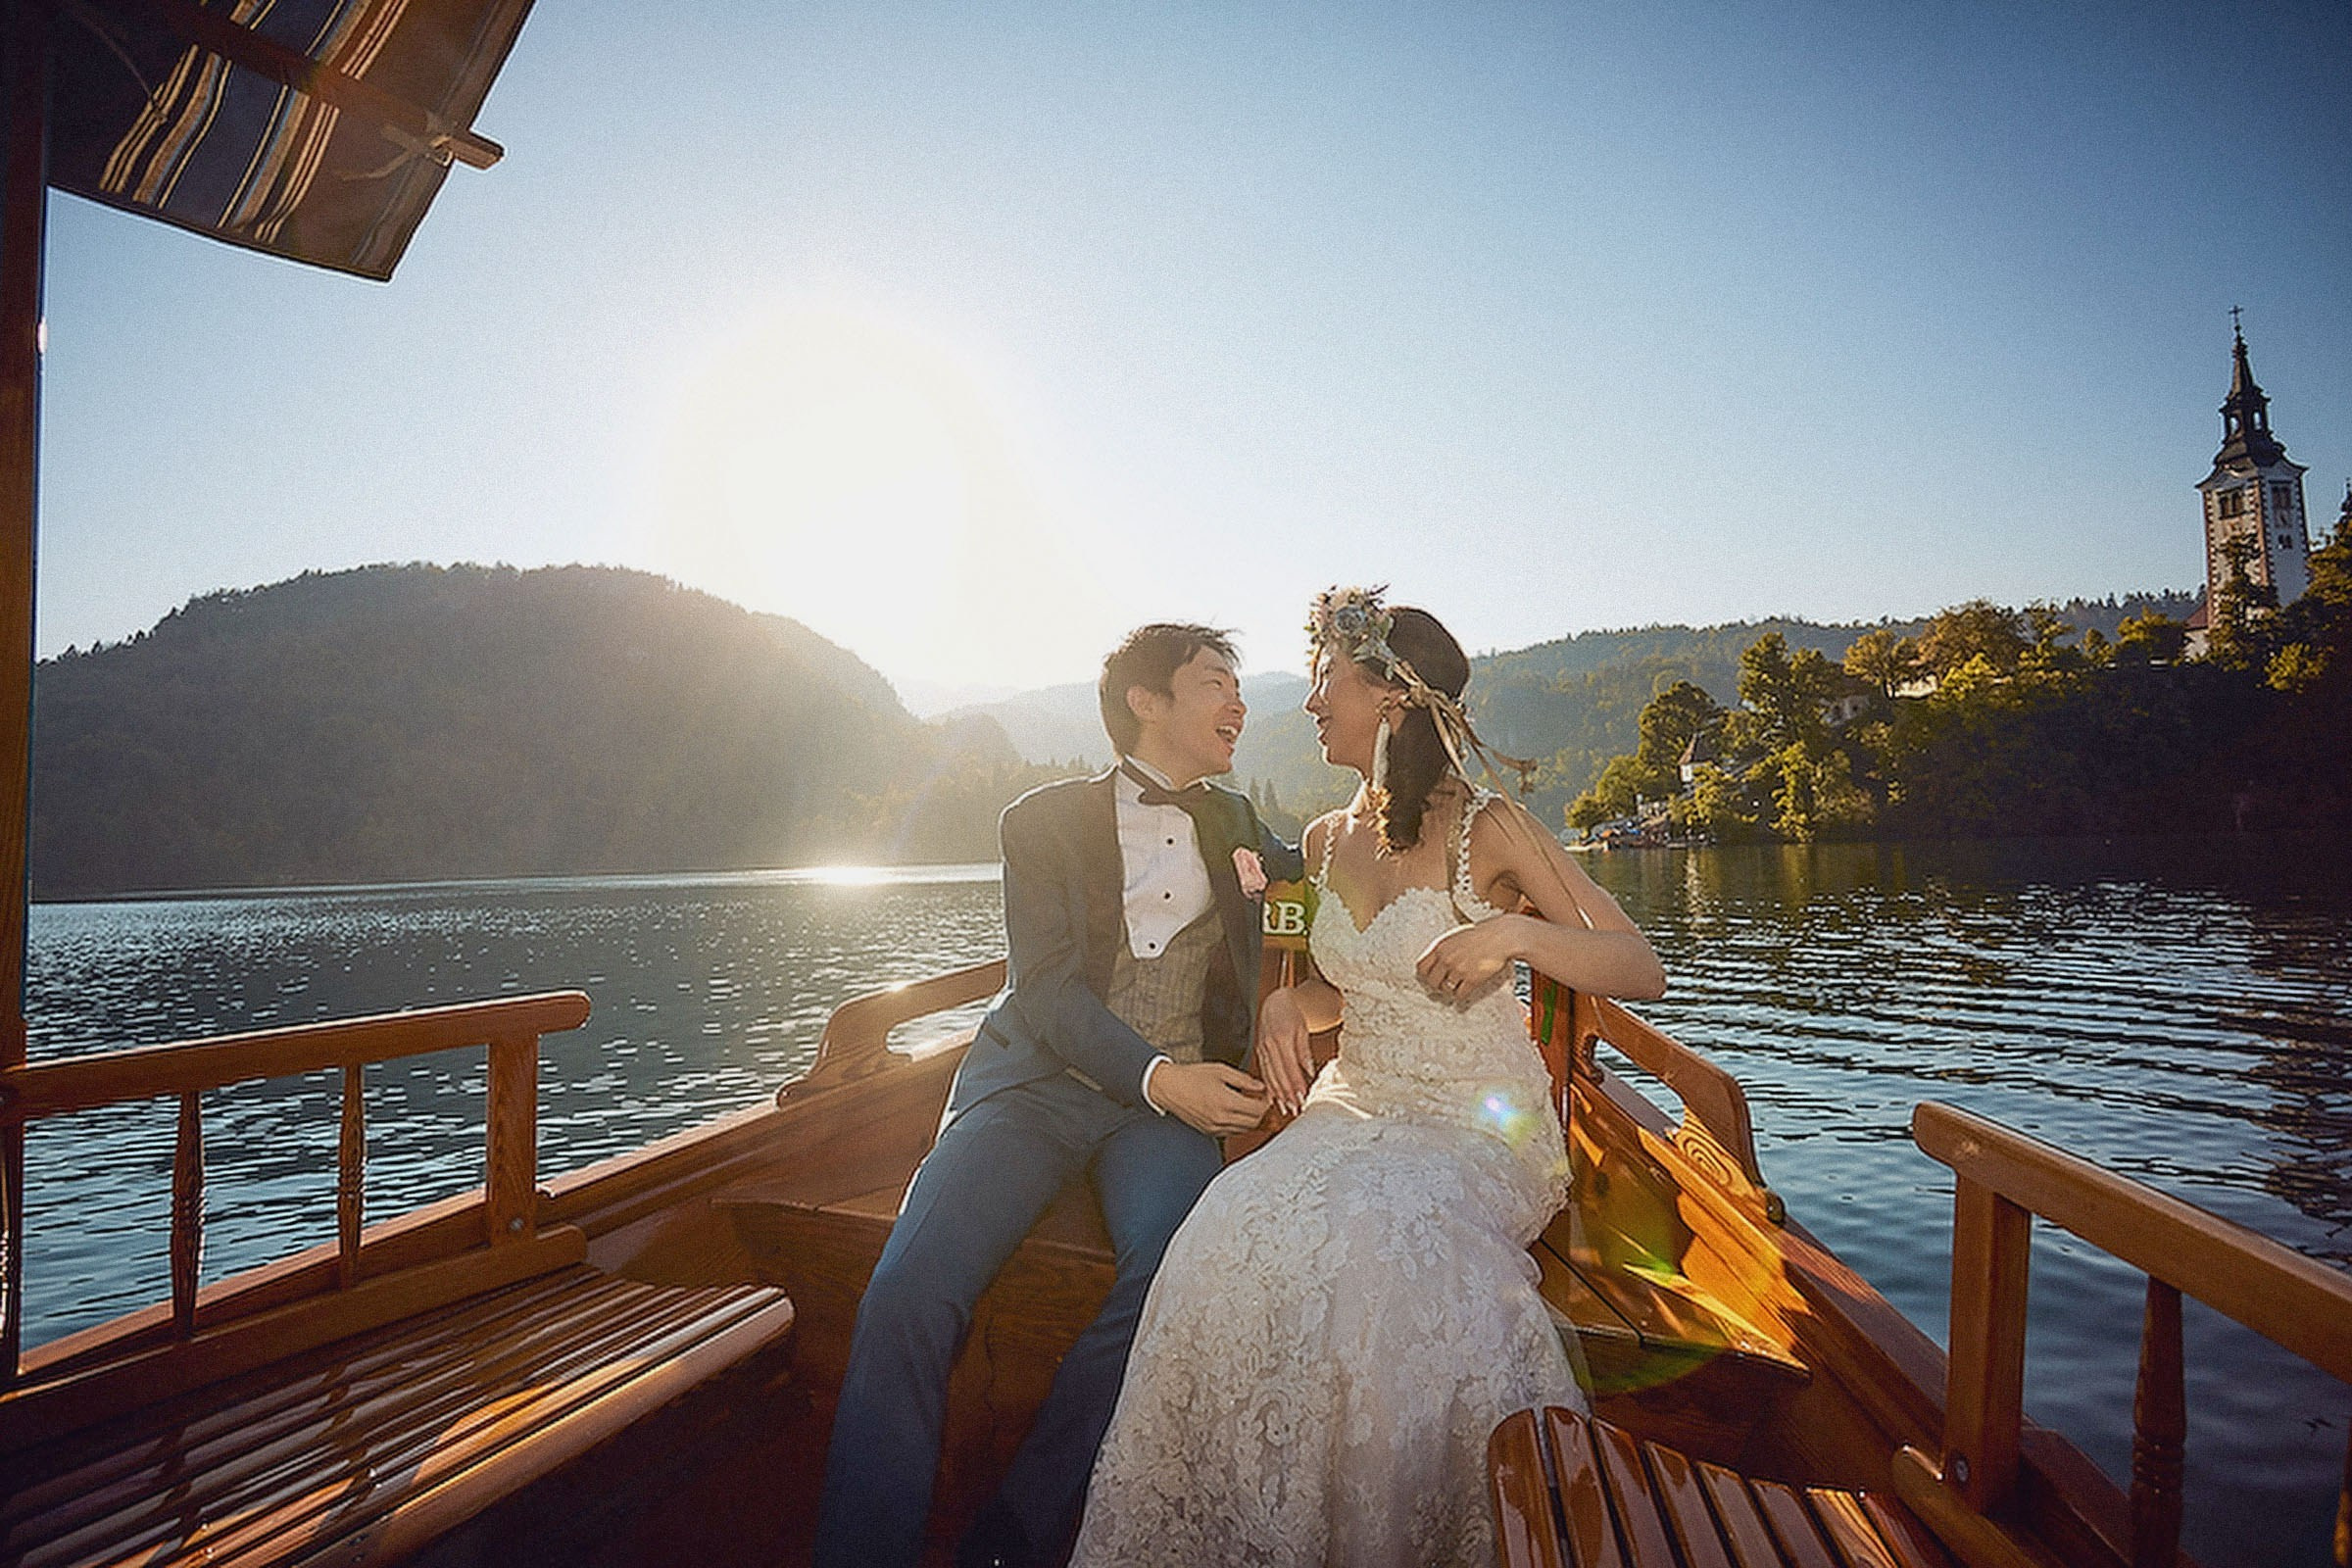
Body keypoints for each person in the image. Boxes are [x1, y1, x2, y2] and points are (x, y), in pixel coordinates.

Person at [1070, 588, 1667, 1567]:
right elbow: (1321, 994)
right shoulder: (1317, 842)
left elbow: (1639, 967)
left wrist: (1512, 931)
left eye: (1324, 680)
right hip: (1356, 1109)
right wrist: (1277, 1006)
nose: (1309, 701)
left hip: (1479, 1125)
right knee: (1221, 1227)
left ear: (1391, 696)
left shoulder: (1493, 829)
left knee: (1373, 1250)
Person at [812, 622, 1303, 1568]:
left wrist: (1292, 997)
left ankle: (1015, 1537)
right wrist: (1166, 1078)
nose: (1237, 702)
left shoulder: (1239, 824)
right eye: (1215, 683)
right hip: (1036, 1087)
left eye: (1238, 684)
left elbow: (1329, 883)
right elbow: (1041, 990)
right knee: (910, 1286)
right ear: (1145, 702)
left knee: (1173, 1279)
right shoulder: (1037, 821)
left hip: (1164, 1115)